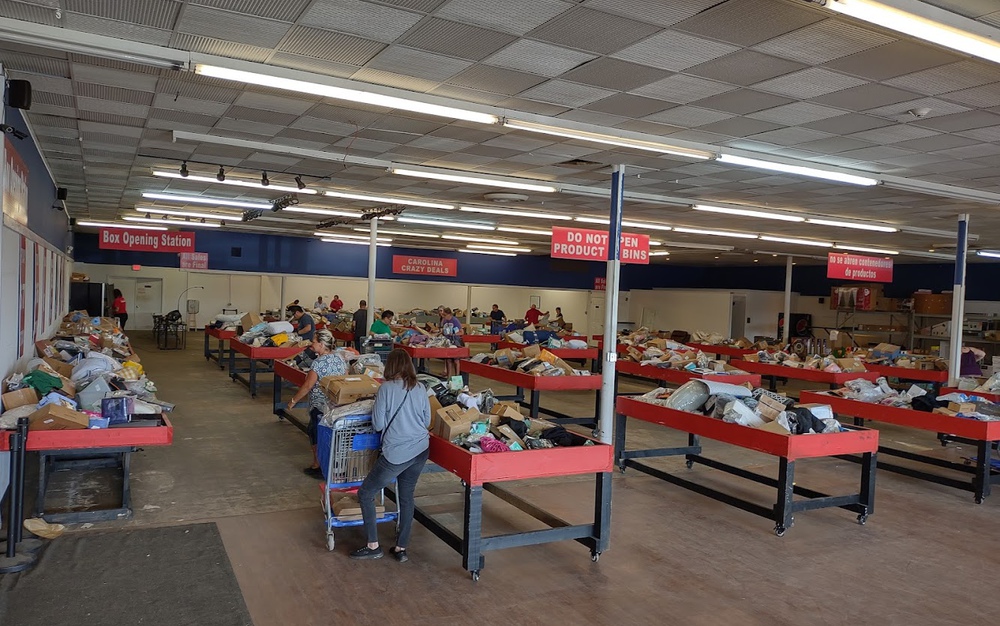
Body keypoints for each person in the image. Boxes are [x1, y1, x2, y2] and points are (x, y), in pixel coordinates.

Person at [350, 349, 430, 561]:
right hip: (420, 449)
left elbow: (378, 424)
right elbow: (427, 420)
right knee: (406, 496)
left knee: (366, 493)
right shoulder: (420, 387)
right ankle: (401, 548)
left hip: (396, 452)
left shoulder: (385, 389)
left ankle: (373, 545)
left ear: (390, 366)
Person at [285, 330, 348, 478]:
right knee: (331, 434)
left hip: (319, 405)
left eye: (314, 342)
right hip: (335, 405)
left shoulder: (318, 363)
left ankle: (318, 465)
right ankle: (333, 464)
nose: (311, 344)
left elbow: (307, 386)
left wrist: (293, 401)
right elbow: (344, 377)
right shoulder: (339, 358)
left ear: (321, 344)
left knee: (315, 433)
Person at [439, 307, 463, 379]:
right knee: (448, 360)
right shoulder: (445, 321)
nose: (444, 316)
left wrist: (454, 334)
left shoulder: (455, 321)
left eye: (445, 315)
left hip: (455, 341)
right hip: (448, 341)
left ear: (449, 314)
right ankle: (449, 377)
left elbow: (461, 332)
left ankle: (457, 377)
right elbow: (444, 331)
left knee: (456, 360)